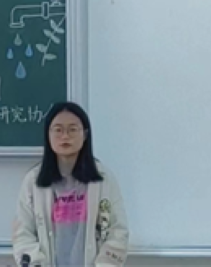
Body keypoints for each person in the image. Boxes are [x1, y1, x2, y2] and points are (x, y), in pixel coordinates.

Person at [12, 101, 129, 267]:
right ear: (48, 134)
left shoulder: (103, 179)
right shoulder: (33, 181)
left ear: (85, 134)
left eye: (72, 129)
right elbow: (23, 233)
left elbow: (117, 230)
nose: (65, 136)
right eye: (58, 130)